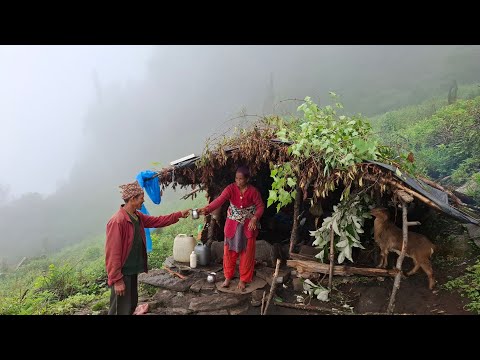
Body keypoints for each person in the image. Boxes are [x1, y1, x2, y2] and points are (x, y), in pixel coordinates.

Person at [105, 180, 190, 315]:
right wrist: (117, 280)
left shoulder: (137, 216)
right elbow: (112, 253)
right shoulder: (117, 221)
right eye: (141, 198)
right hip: (123, 273)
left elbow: (157, 221)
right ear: (132, 199)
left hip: (132, 271)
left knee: (130, 306)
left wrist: (178, 214)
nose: (143, 201)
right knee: (119, 310)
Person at [198, 166, 264, 291]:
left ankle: (243, 279)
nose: (238, 181)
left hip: (248, 224)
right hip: (232, 224)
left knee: (247, 252)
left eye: (241, 179)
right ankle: (228, 277)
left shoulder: (253, 191)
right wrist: (206, 209)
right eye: (236, 178)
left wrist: (255, 218)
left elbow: (260, 206)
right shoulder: (230, 189)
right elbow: (219, 200)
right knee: (229, 252)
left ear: (247, 179)